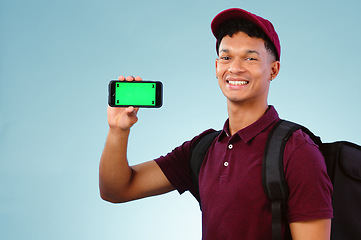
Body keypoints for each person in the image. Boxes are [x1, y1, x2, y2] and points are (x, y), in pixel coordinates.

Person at [99, 8, 333, 240]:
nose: (235, 68)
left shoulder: (297, 151)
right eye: (226, 57)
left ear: (273, 69)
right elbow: (116, 190)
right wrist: (118, 130)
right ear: (216, 67)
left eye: (250, 58)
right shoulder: (202, 149)